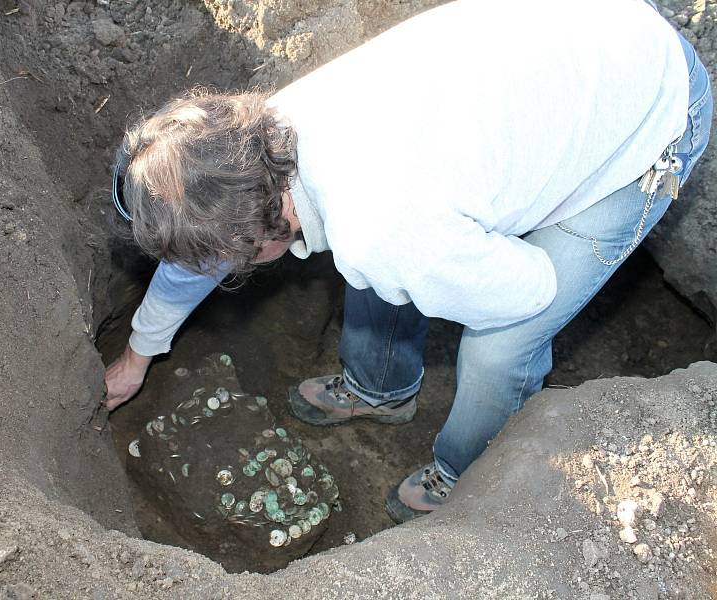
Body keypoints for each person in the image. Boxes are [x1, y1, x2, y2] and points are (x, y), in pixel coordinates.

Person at [104, 0, 712, 523]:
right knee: (380, 264)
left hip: (648, 111)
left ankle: (465, 472)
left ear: (257, 243)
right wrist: (137, 355)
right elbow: (205, 247)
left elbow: (531, 288)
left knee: (500, 345)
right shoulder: (260, 141)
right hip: (567, 52)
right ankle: (380, 389)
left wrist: (454, 259)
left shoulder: (387, 229)